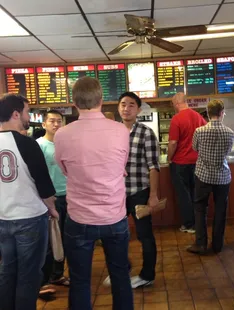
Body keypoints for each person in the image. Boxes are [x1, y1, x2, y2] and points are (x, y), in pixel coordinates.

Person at [54, 77, 133, 310]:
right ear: (102, 100)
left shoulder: (62, 134)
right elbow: (121, 167)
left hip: (79, 218)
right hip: (114, 216)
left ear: (73, 102)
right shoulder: (121, 131)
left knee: (79, 280)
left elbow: (65, 170)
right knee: (120, 276)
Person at [0, 94, 58, 310]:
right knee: (29, 274)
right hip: (30, 219)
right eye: (26, 111)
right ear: (16, 114)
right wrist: (53, 209)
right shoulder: (28, 144)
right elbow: (45, 187)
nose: (28, 116)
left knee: (7, 270)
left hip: (3, 219)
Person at [118, 91, 160, 288]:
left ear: (138, 110)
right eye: (123, 104)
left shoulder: (145, 133)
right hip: (116, 194)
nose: (126, 108)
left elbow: (154, 166)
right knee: (116, 235)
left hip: (139, 193)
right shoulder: (112, 132)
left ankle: (147, 274)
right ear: (119, 108)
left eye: (131, 105)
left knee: (144, 236)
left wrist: (153, 195)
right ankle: (122, 270)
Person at [187, 99, 234, 255]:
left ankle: (200, 244)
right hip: (222, 177)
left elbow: (195, 148)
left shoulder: (199, 131)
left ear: (208, 113)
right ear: (221, 113)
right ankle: (217, 245)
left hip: (203, 175)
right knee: (221, 210)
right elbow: (228, 152)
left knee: (200, 209)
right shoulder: (229, 132)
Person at [37, 110, 69, 297]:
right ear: (44, 124)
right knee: (50, 241)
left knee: (63, 238)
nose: (56, 124)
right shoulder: (38, 145)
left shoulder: (65, 145)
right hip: (50, 199)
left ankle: (57, 274)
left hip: (69, 196)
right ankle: (45, 280)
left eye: (59, 121)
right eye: (52, 121)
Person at [168, 92, 206, 233]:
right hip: (197, 162)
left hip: (180, 163)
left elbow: (173, 143)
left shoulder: (176, 119)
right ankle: (198, 224)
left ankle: (189, 224)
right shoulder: (198, 116)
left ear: (177, 103)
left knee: (183, 195)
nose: (173, 107)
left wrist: (169, 158)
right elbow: (205, 135)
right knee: (195, 193)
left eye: (173, 104)